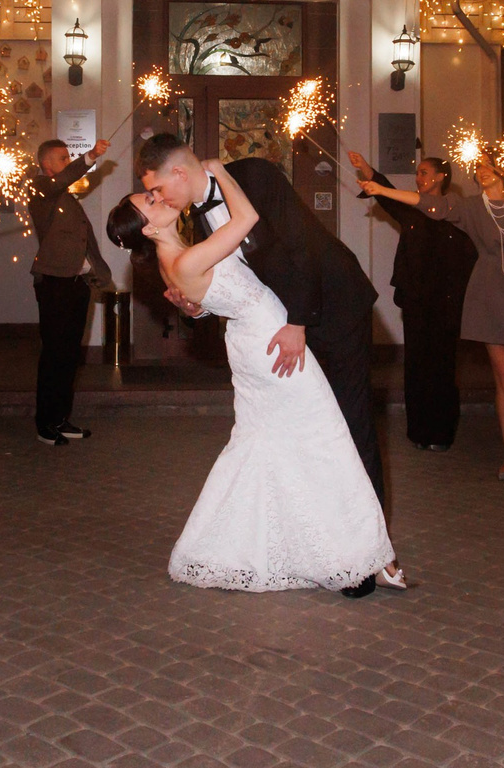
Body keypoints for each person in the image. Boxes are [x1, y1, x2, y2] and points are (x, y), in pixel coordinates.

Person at [107, 162, 401, 596]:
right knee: (325, 440)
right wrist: (220, 172)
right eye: (150, 200)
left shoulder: (184, 251)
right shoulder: (185, 256)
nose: (159, 197)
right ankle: (354, 557)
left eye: (154, 191)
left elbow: (218, 288)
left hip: (260, 344)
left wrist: (197, 306)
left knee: (279, 444)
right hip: (272, 347)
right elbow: (246, 219)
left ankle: (316, 546)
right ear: (149, 230)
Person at [141, 135, 386, 502]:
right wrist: (197, 308)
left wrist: (298, 323)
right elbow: (235, 284)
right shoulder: (198, 218)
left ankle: (370, 531)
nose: (159, 199)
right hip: (285, 322)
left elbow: (301, 247)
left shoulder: (253, 174)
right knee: (313, 422)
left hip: (336, 305)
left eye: (157, 189)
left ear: (179, 172)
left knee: (351, 420)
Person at [363, 151, 504, 481]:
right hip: (490, 298)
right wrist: (382, 190)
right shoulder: (470, 208)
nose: (481, 170)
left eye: (488, 165)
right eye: (478, 166)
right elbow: (428, 204)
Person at [355, 153, 476, 451]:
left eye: (424, 172)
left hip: (446, 301)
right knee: (416, 364)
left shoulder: (455, 208)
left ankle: (441, 433)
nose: (418, 178)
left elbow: (467, 253)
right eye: (418, 173)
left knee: (442, 365)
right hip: (416, 300)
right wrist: (366, 169)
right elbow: (388, 196)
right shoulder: (410, 209)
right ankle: (419, 431)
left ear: (440, 177)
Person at [26, 138, 106, 445]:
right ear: (47, 165)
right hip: (55, 283)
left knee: (70, 355)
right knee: (54, 355)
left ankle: (60, 418)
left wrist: (98, 271)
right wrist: (90, 156)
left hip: (77, 283)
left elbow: (83, 238)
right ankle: (45, 423)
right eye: (62, 158)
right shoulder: (39, 188)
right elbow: (62, 180)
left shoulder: (65, 196)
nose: (68, 161)